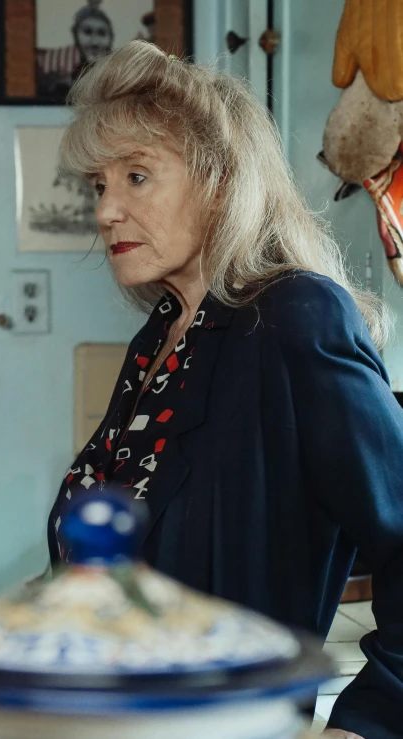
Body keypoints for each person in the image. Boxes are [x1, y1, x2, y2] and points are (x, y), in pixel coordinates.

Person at [47, 41, 403, 738]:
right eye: (99, 185)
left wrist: (367, 719)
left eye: (137, 177)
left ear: (219, 181)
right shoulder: (159, 338)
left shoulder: (295, 318)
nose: (108, 210)